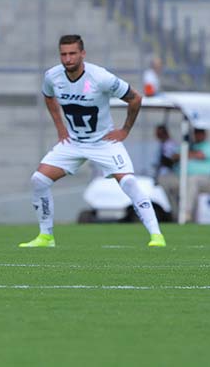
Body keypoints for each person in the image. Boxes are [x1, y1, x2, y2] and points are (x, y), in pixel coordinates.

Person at [19, 34, 166, 248]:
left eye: (72, 54)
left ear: (82, 54)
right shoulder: (52, 76)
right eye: (63, 54)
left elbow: (135, 98)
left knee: (128, 182)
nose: (68, 59)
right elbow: (48, 96)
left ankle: (156, 236)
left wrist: (124, 130)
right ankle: (46, 237)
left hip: (103, 142)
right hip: (74, 143)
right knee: (39, 180)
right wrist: (60, 128)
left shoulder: (100, 77)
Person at [158, 128, 210, 223]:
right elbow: (174, 156)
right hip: (181, 177)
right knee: (164, 180)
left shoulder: (209, 146)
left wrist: (184, 154)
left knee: (192, 180)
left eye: (200, 133)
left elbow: (200, 155)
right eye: (196, 133)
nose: (197, 136)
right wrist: (183, 154)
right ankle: (175, 213)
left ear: (204, 134)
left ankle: (186, 213)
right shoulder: (187, 145)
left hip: (205, 180)